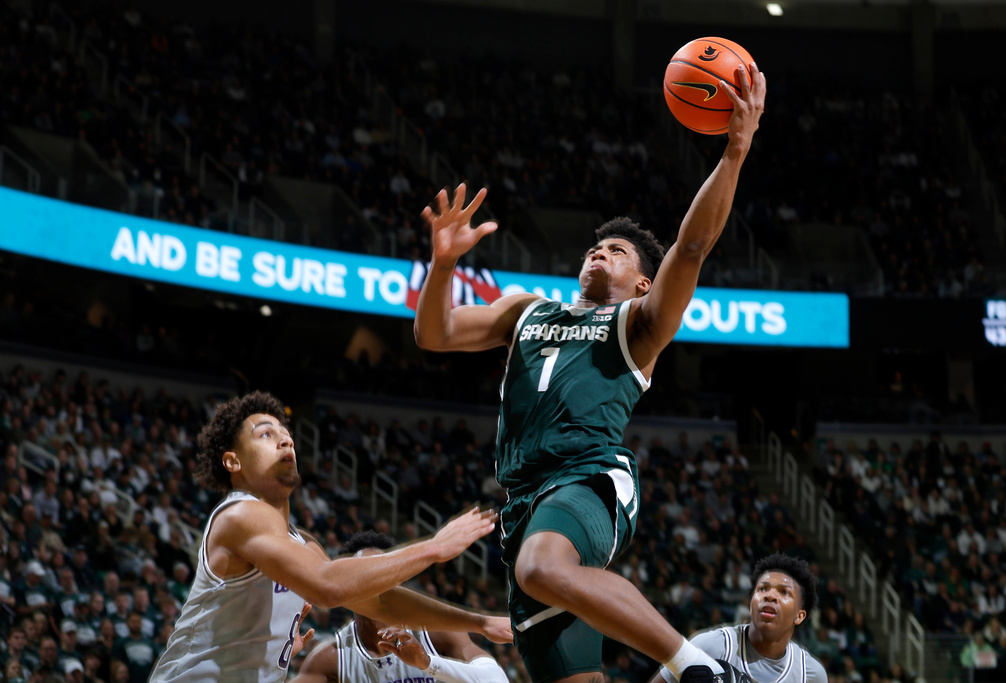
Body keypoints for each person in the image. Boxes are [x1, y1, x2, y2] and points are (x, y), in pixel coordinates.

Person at [413, 59, 765, 683]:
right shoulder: (525, 309)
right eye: (595, 246)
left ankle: (698, 668)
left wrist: (734, 155)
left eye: (619, 251)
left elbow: (691, 247)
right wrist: (442, 266)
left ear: (642, 282)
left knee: (541, 569)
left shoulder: (638, 324)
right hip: (523, 502)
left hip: (588, 478)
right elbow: (434, 334)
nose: (601, 251)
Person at [149, 391, 509, 683]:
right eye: (265, 434)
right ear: (233, 462)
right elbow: (327, 588)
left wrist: (479, 622)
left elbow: (379, 603)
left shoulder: (302, 543)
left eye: (285, 433)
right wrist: (433, 548)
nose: (285, 439)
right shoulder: (240, 513)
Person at [291, 531, 509, 683]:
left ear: (397, 583)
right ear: (347, 586)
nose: (372, 585)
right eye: (363, 576)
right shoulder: (331, 658)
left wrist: (427, 662)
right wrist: (277, 657)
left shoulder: (435, 633)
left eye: (380, 575)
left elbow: (495, 679)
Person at [652, 554, 827, 683]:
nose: (770, 596)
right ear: (751, 605)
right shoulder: (712, 646)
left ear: (799, 616)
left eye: (784, 592)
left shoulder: (810, 674)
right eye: (762, 589)